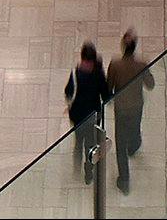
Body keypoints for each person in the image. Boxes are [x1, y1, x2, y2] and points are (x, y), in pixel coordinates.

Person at [106, 27, 153, 193]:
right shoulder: (141, 64)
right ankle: (134, 145)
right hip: (136, 106)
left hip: (121, 108)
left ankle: (124, 179)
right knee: (135, 128)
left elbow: (109, 86)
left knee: (120, 143)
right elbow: (150, 84)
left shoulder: (115, 64)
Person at [65, 40, 109, 179]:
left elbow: (68, 92)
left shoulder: (76, 74)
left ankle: (81, 168)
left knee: (80, 143)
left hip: (80, 116)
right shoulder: (98, 73)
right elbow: (105, 94)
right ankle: (88, 171)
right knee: (89, 144)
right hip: (92, 116)